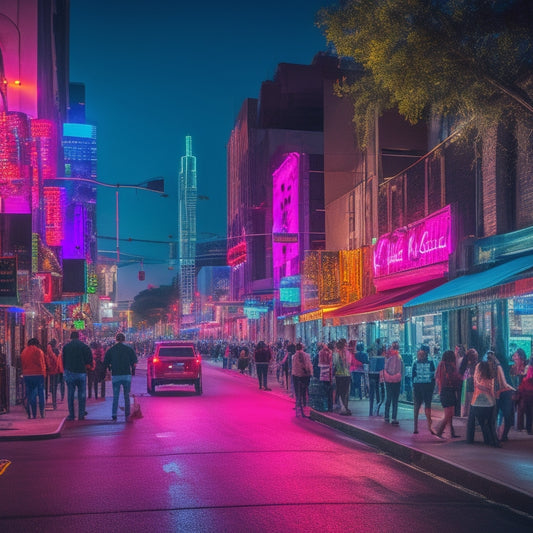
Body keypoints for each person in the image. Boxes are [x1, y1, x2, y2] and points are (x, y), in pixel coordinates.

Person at [104, 333, 138, 422]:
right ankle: (127, 413)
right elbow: (134, 362)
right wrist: (132, 370)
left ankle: (114, 414)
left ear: (116, 339)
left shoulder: (111, 350)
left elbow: (106, 362)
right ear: (124, 339)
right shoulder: (129, 349)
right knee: (126, 395)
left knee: (116, 396)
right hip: (126, 374)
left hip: (116, 375)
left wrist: (109, 368)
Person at [467, 360, 500, 447]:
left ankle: (489, 440)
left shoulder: (477, 377)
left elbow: (476, 385)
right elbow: (492, 391)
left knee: (482, 423)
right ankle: (493, 441)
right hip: (489, 403)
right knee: (490, 423)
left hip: (476, 402)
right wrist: (494, 401)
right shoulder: (491, 377)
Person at [62, 331, 93, 421]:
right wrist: (88, 366)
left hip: (70, 372)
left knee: (71, 394)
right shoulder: (84, 346)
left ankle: (71, 415)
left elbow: (64, 359)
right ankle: (81, 414)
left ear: (71, 337)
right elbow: (89, 358)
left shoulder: (66, 347)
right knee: (82, 394)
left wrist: (65, 369)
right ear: (79, 337)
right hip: (81, 372)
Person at [486, 351, 515, 442]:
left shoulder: (496, 367)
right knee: (505, 415)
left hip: (501, 393)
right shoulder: (499, 366)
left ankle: (499, 435)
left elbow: (503, 383)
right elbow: (504, 383)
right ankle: (502, 435)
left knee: (497, 415)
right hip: (504, 392)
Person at [434, 350, 462, 438]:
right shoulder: (448, 366)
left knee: (450, 413)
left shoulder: (441, 365)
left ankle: (452, 432)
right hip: (448, 391)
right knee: (449, 414)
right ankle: (439, 431)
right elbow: (453, 377)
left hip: (445, 390)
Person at [21, 338, 47, 419]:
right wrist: (44, 374)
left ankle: (32, 413)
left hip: (27, 374)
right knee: (40, 393)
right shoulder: (38, 351)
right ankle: (42, 412)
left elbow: (23, 363)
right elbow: (41, 363)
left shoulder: (24, 352)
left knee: (30, 394)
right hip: (38, 374)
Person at [412, 347, 436, 435]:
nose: (420, 356)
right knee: (425, 406)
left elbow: (413, 376)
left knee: (418, 407)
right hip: (426, 387)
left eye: (422, 354)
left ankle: (417, 427)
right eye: (419, 355)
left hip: (420, 387)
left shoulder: (415, 363)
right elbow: (433, 375)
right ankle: (429, 426)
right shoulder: (430, 363)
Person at [382, 341, 403, 425]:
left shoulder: (388, 356)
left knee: (389, 398)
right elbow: (400, 370)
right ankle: (394, 417)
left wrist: (387, 376)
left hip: (389, 379)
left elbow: (385, 368)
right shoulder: (399, 357)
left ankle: (387, 416)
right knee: (394, 399)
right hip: (396, 379)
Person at [291, 342, 313, 417]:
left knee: (297, 392)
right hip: (305, 376)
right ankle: (305, 405)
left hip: (296, 376)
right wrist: (310, 373)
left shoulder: (293, 356)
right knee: (305, 391)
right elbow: (309, 366)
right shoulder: (307, 355)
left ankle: (298, 405)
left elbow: (293, 367)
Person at [333, 339, 352, 415]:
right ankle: (345, 407)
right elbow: (349, 365)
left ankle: (342, 407)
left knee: (340, 392)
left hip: (338, 375)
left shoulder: (336, 354)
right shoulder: (348, 354)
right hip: (346, 374)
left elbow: (335, 364)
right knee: (346, 392)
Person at [459, 348, 479, 417]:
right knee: (471, 402)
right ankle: (471, 416)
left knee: (467, 402)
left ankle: (467, 415)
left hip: (466, 385)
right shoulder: (476, 365)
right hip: (472, 386)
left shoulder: (465, 364)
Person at [517, 365, 533, 435]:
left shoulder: (525, 379)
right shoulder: (525, 379)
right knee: (529, 414)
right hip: (528, 398)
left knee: (528, 414)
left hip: (526, 399)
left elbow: (520, 389)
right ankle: (528, 429)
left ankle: (527, 429)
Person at [318, 342, 333, 412]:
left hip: (323, 376)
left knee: (324, 391)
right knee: (329, 392)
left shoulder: (321, 354)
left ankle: (325, 406)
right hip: (328, 375)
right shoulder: (330, 353)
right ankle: (329, 407)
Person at [45, 339, 60, 410]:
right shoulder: (56, 351)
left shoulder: (47, 352)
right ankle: (54, 403)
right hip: (56, 370)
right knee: (54, 386)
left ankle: (50, 401)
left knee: (51, 386)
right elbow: (58, 360)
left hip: (49, 370)